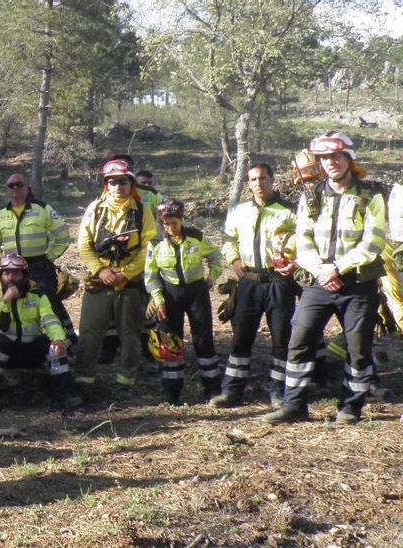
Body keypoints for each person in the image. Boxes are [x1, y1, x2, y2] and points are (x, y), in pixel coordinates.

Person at [265, 132, 387, 425]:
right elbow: (303, 239)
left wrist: (338, 268)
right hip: (319, 282)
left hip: (358, 284)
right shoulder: (311, 196)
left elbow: (373, 242)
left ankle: (350, 408)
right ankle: (294, 405)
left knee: (358, 347)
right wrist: (321, 269)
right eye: (324, 158)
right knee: (300, 340)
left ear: (349, 158)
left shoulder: (371, 196)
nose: (330, 162)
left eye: (336, 156)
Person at [210, 163, 299, 408]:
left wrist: (295, 263)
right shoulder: (239, 211)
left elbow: (304, 242)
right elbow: (229, 240)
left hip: (279, 282)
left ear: (272, 180)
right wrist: (234, 260)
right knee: (241, 337)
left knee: (282, 338)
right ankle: (231, 391)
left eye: (263, 178)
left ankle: (278, 391)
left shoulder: (290, 211)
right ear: (248, 183)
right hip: (248, 283)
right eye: (253, 179)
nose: (258, 183)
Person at [75, 160, 158, 388]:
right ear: (106, 185)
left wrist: (125, 273)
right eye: (112, 182)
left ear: (130, 183)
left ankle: (125, 383)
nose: (118, 187)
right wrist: (100, 271)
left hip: (130, 282)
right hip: (99, 281)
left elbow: (149, 247)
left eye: (122, 182)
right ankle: (84, 381)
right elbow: (84, 245)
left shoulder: (141, 211)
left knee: (130, 333)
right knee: (90, 331)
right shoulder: (95, 209)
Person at [0, 254, 84, 414]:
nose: (11, 278)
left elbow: (50, 321)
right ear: (0, 276)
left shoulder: (37, 294)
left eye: (16, 273)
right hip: (8, 354)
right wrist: (6, 302)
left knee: (53, 345)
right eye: (6, 274)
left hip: (33, 352)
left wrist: (59, 340)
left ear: (25, 275)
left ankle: (63, 395)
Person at [143, 199, 223, 404]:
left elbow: (215, 256)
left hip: (197, 291)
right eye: (166, 223)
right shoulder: (155, 243)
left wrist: (212, 277)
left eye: (174, 223)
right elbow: (151, 275)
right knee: (169, 340)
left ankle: (212, 388)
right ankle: (171, 392)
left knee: (203, 337)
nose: (170, 227)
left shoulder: (196, 236)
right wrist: (158, 300)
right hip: (170, 294)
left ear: (181, 219)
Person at [0, 173, 76, 346]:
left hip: (39, 267)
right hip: (12, 270)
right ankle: (13, 341)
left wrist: (48, 258)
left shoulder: (42, 209)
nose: (15, 189)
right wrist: (0, 261)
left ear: (27, 188)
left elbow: (63, 236)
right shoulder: (0, 216)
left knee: (50, 303)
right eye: (10, 186)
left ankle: (67, 342)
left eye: (19, 185)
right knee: (11, 302)